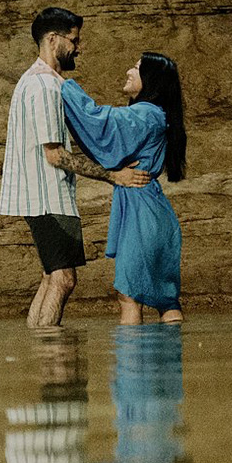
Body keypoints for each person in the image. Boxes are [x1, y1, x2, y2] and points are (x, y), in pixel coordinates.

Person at [0, 7, 152, 329]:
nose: (78, 48)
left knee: (51, 277)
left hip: (42, 196)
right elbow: (55, 155)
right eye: (74, 40)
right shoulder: (44, 86)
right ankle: (52, 361)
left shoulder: (41, 82)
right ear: (53, 40)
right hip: (47, 197)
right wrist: (115, 176)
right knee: (64, 280)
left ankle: (41, 347)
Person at [59, 53, 187, 324]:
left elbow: (100, 121)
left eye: (137, 68)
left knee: (129, 296)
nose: (129, 71)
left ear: (150, 80)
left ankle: (131, 366)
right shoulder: (158, 115)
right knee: (166, 300)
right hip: (155, 211)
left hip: (142, 212)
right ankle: (169, 364)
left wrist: (62, 84)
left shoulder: (145, 114)